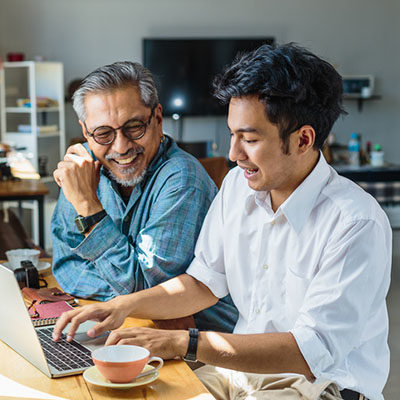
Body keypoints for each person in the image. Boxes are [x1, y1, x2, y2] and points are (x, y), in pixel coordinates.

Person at [53, 45, 391, 400]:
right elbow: (202, 283)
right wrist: (123, 306)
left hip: (321, 385)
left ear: (303, 139)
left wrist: (185, 342)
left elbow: (309, 352)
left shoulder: (355, 223)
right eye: (233, 135)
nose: (233, 154)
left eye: (249, 139)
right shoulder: (237, 187)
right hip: (240, 374)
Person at [51, 61, 238, 333]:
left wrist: (88, 207)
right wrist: (127, 301)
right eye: (103, 133)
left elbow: (145, 288)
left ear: (158, 119)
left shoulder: (182, 177)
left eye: (134, 127)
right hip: (127, 325)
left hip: (197, 345)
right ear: (85, 133)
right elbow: (66, 266)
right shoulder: (80, 169)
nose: (121, 146)